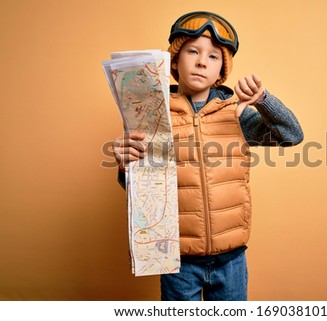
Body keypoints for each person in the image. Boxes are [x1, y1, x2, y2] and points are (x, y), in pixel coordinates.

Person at [112, 11, 304, 301]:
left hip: (232, 260)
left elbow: (292, 135)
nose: (202, 61)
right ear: (174, 61)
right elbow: (142, 192)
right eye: (193, 51)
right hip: (178, 261)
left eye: (214, 57)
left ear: (221, 72)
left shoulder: (236, 114)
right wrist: (127, 168)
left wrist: (263, 101)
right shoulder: (152, 116)